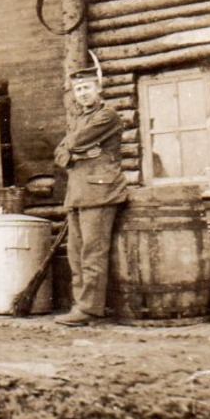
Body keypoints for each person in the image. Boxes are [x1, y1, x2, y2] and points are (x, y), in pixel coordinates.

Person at [52, 70, 127, 326]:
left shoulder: (107, 115)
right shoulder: (79, 118)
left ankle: (90, 309)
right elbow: (60, 153)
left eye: (87, 88)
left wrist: (71, 148)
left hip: (100, 191)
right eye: (78, 89)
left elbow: (74, 141)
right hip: (78, 193)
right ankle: (80, 305)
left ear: (98, 89)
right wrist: (78, 155)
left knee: (92, 252)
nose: (83, 93)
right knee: (76, 253)